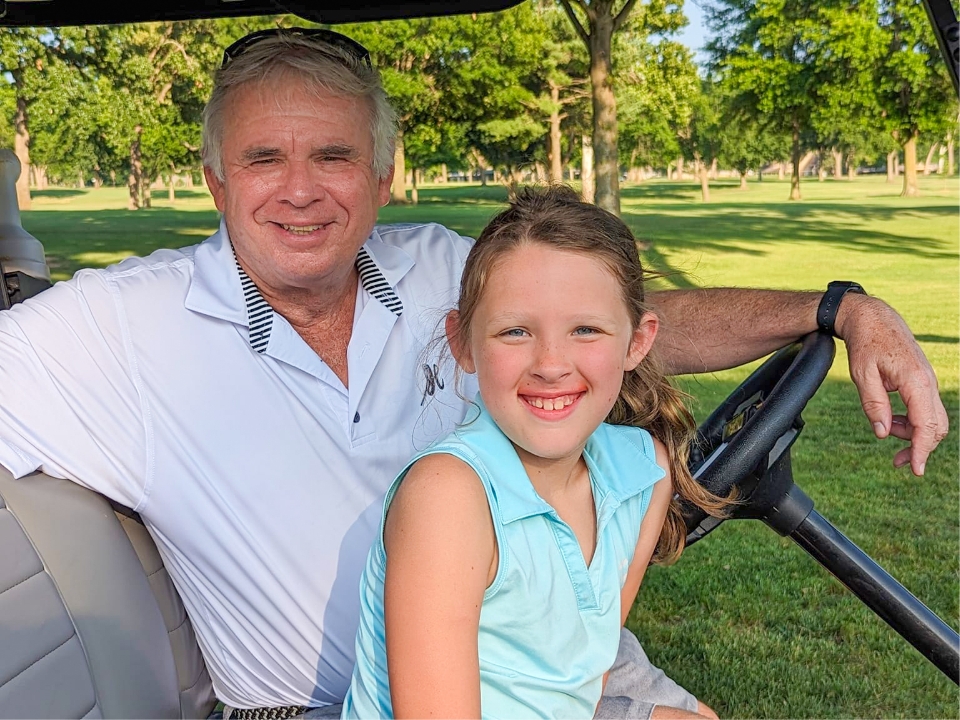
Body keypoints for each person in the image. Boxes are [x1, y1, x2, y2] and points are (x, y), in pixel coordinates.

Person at [0, 27, 946, 719]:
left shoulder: (438, 267)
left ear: (381, 175)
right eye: (263, 159)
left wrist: (836, 309)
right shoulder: (122, 327)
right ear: (214, 180)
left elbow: (611, 319)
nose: (300, 188)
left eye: (334, 155)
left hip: (549, 663)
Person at [343, 185, 735, 719]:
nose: (551, 363)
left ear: (636, 342)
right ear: (462, 344)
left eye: (586, 330)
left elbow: (584, 672)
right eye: (515, 331)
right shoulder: (450, 497)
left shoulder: (643, 472)